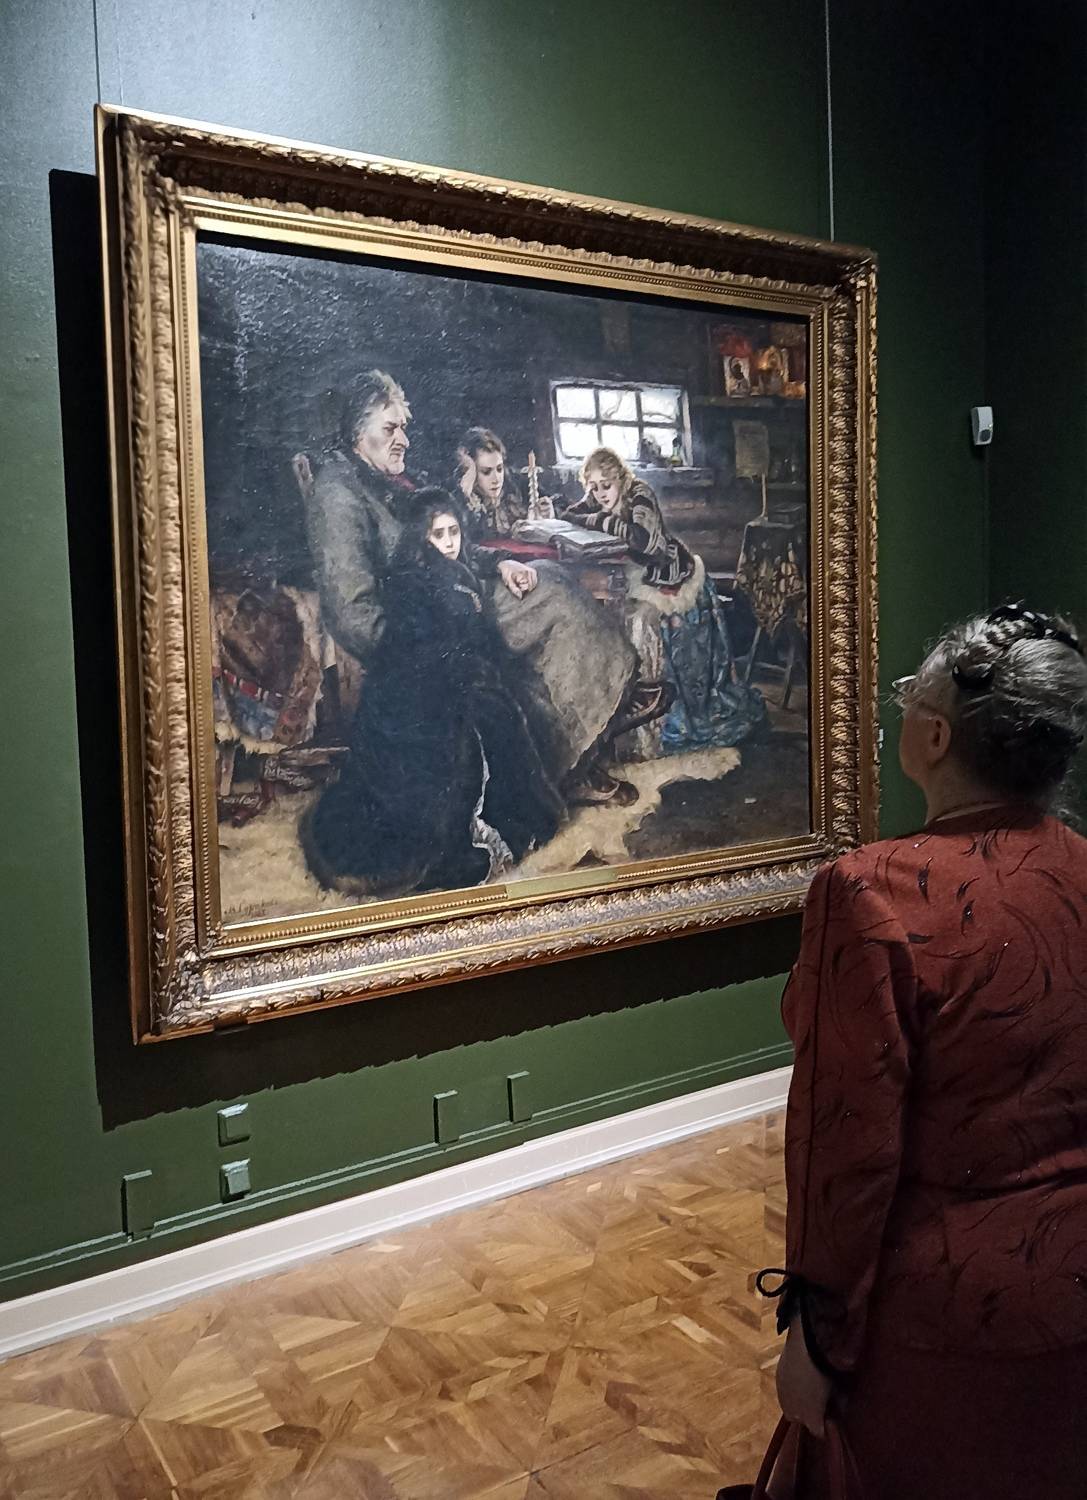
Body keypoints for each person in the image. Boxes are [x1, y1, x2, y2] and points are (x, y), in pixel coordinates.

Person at [762, 604, 1087, 1499]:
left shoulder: (870, 893)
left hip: (946, 1309)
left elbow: (843, 1146)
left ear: (936, 736)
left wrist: (814, 1334)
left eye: (909, 693)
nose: (899, 706)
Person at [303, 371, 656, 806]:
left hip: (451, 600)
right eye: (390, 428)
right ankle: (594, 730)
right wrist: (426, 650)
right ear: (359, 432)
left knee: (547, 575)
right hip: (422, 631)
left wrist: (501, 561)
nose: (403, 440)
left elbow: (453, 548)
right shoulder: (337, 494)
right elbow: (352, 612)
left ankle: (585, 738)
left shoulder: (385, 482)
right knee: (554, 598)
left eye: (403, 429)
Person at [302, 489, 565, 897]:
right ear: (421, 537)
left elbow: (477, 635)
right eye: (438, 534)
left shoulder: (458, 573)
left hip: (454, 675)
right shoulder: (412, 579)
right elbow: (415, 644)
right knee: (461, 734)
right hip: (416, 685)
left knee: (502, 712)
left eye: (453, 531)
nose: (448, 542)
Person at [566, 447, 766, 753]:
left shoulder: (640, 494)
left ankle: (675, 709)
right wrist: (592, 515)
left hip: (667, 571)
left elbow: (645, 542)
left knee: (658, 622)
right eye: (593, 487)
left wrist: (600, 521)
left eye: (606, 485)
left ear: (620, 478)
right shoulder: (598, 497)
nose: (600, 494)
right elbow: (571, 514)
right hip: (635, 572)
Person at [454, 427, 529, 541]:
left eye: (499, 469)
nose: (496, 479)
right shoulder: (460, 497)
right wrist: (466, 493)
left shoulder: (514, 483)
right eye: (486, 472)